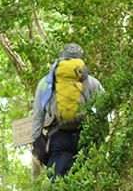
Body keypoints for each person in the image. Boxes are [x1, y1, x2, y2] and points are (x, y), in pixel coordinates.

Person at [31, 43, 103, 177]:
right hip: (84, 135)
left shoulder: (46, 83)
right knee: (86, 180)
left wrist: (36, 140)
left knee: (60, 184)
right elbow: (105, 107)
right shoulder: (91, 82)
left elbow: (38, 115)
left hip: (58, 137)